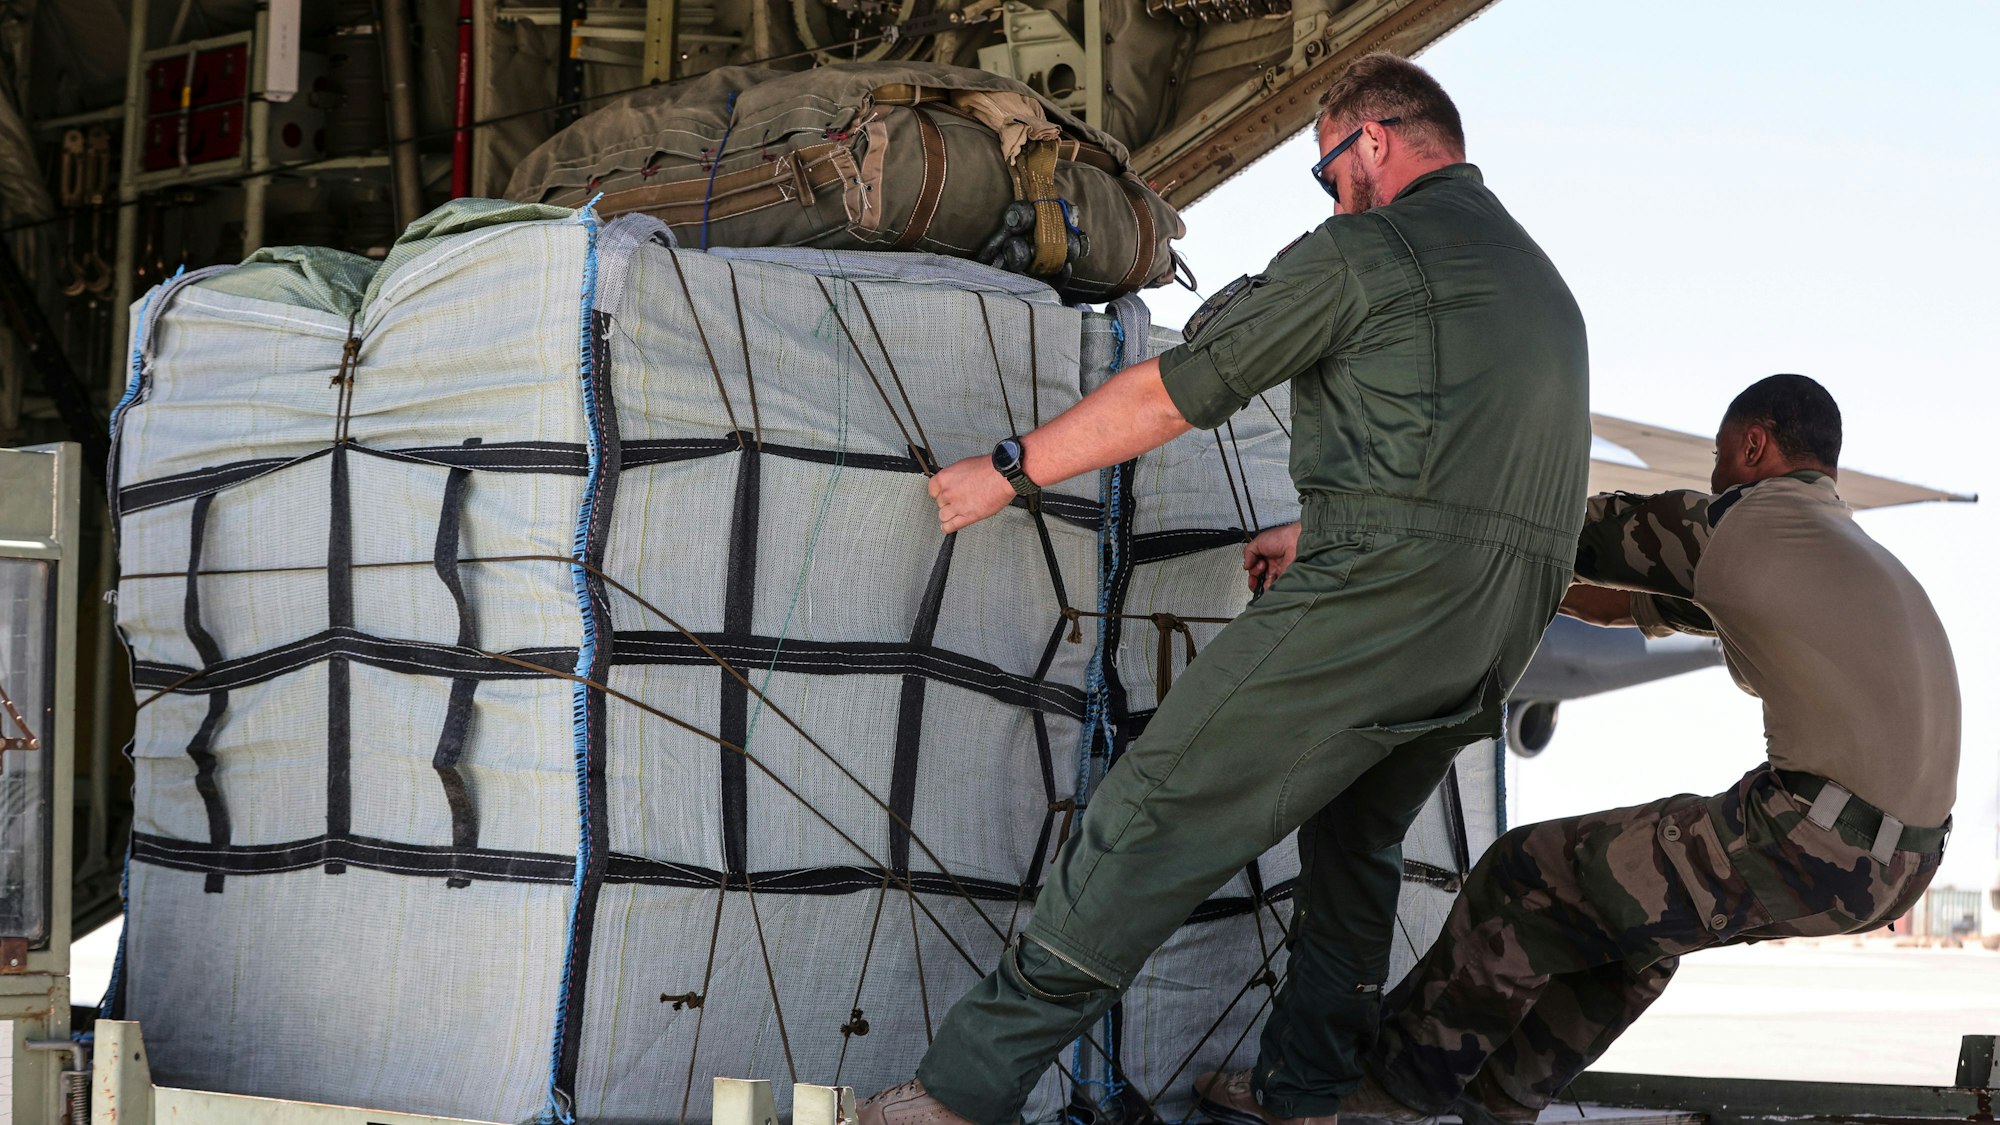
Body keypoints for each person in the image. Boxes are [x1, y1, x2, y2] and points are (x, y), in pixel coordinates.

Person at [857, 52, 1590, 1125]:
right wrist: (1327, 525)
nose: (1331, 191)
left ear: (1371, 142)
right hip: (1492, 630)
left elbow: (1172, 392)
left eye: (1326, 168)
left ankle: (962, 1089)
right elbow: (1460, 468)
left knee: (1154, 808)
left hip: (1378, 607)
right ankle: (1306, 1091)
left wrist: (1008, 469)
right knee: (1353, 845)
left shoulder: (1367, 250)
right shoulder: (1540, 286)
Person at [1364, 374, 1959, 1125]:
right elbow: (1614, 600)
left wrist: (1401, 543)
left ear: (1754, 444)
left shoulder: (1741, 524)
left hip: (1813, 836)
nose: (1710, 477)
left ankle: (1389, 1088)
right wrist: (1538, 589)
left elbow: (1555, 534)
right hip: (1906, 865)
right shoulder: (1833, 547)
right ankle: (1500, 1099)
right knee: (1632, 925)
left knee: (1523, 872)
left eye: (1718, 457)